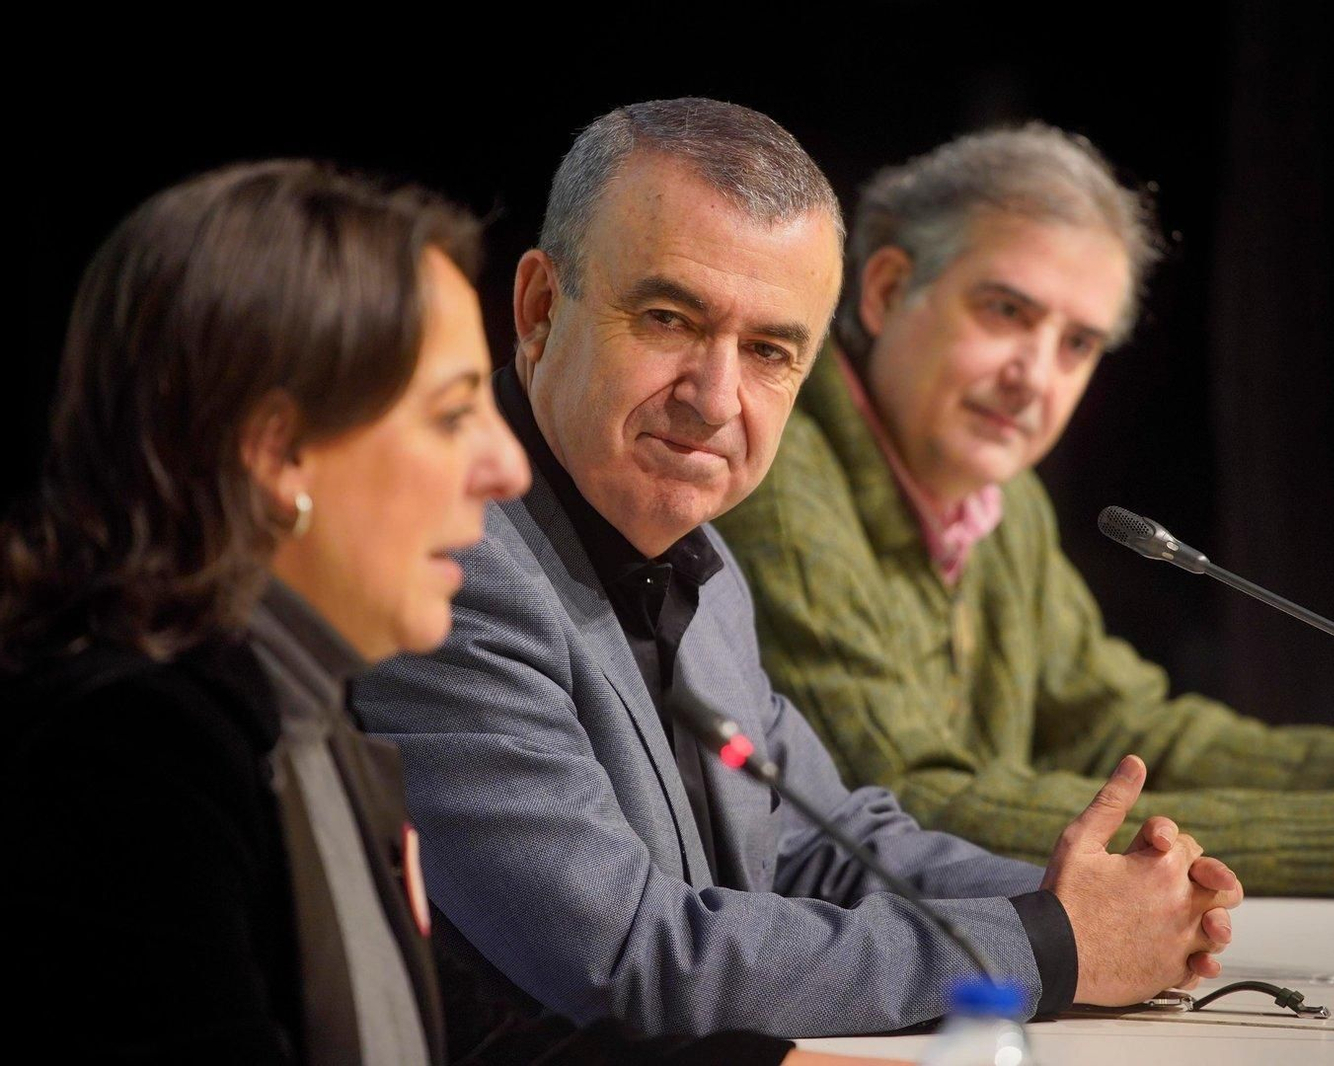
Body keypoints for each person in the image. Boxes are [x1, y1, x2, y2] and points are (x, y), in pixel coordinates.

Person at [355, 97, 1243, 1042]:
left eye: (771, 351)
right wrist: (1048, 944)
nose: (714, 398)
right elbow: (633, 962)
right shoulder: (449, 569)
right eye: (668, 318)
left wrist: (1107, 897)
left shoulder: (702, 561)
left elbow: (826, 846)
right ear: (539, 308)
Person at [1, 160, 855, 1065]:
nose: (507, 466)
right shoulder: (125, 761)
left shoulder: (293, 714)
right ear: (279, 452)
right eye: (453, 416)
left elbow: (473, 1044)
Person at [714, 124, 1334, 899]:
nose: (1035, 375)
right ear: (884, 290)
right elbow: (909, 801)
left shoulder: (1002, 502)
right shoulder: (783, 480)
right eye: (1006, 311)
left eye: (1078, 343)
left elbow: (1118, 725)